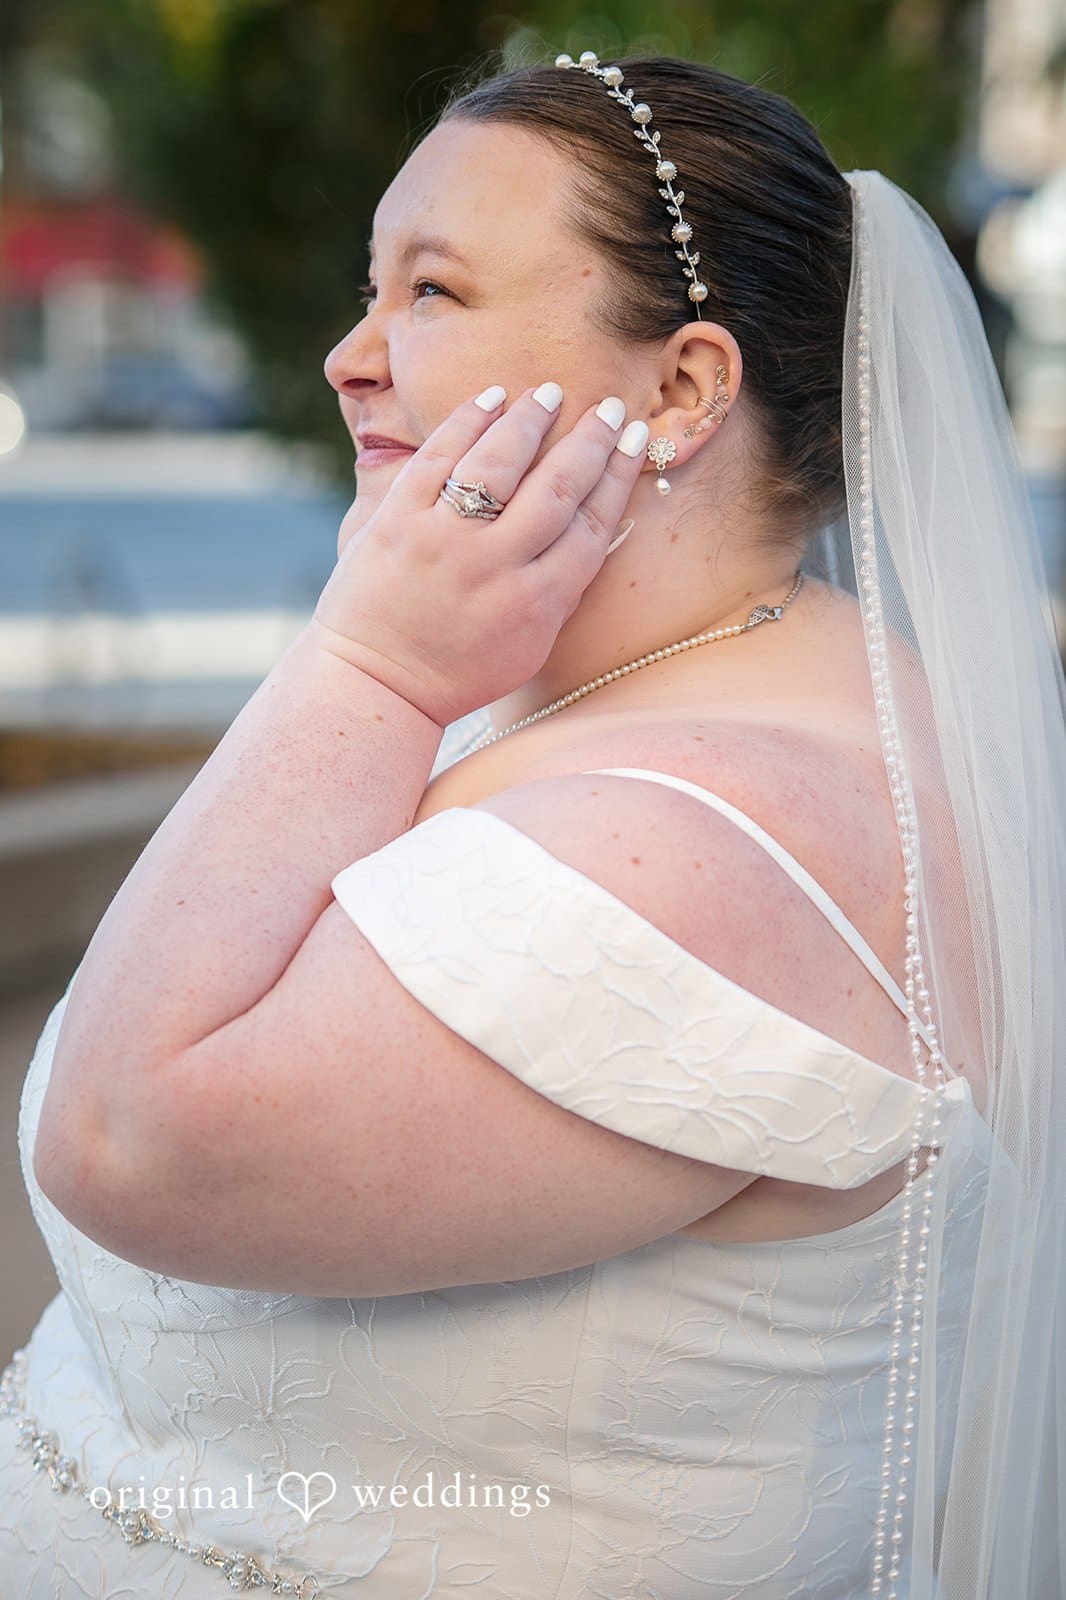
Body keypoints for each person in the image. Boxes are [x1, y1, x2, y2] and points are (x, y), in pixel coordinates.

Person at [1, 47, 1062, 1600]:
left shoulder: (698, 848)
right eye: (374, 290)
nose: (349, 358)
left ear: (686, 386)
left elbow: (122, 1143)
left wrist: (367, 661)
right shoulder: (709, 698)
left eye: (430, 292)